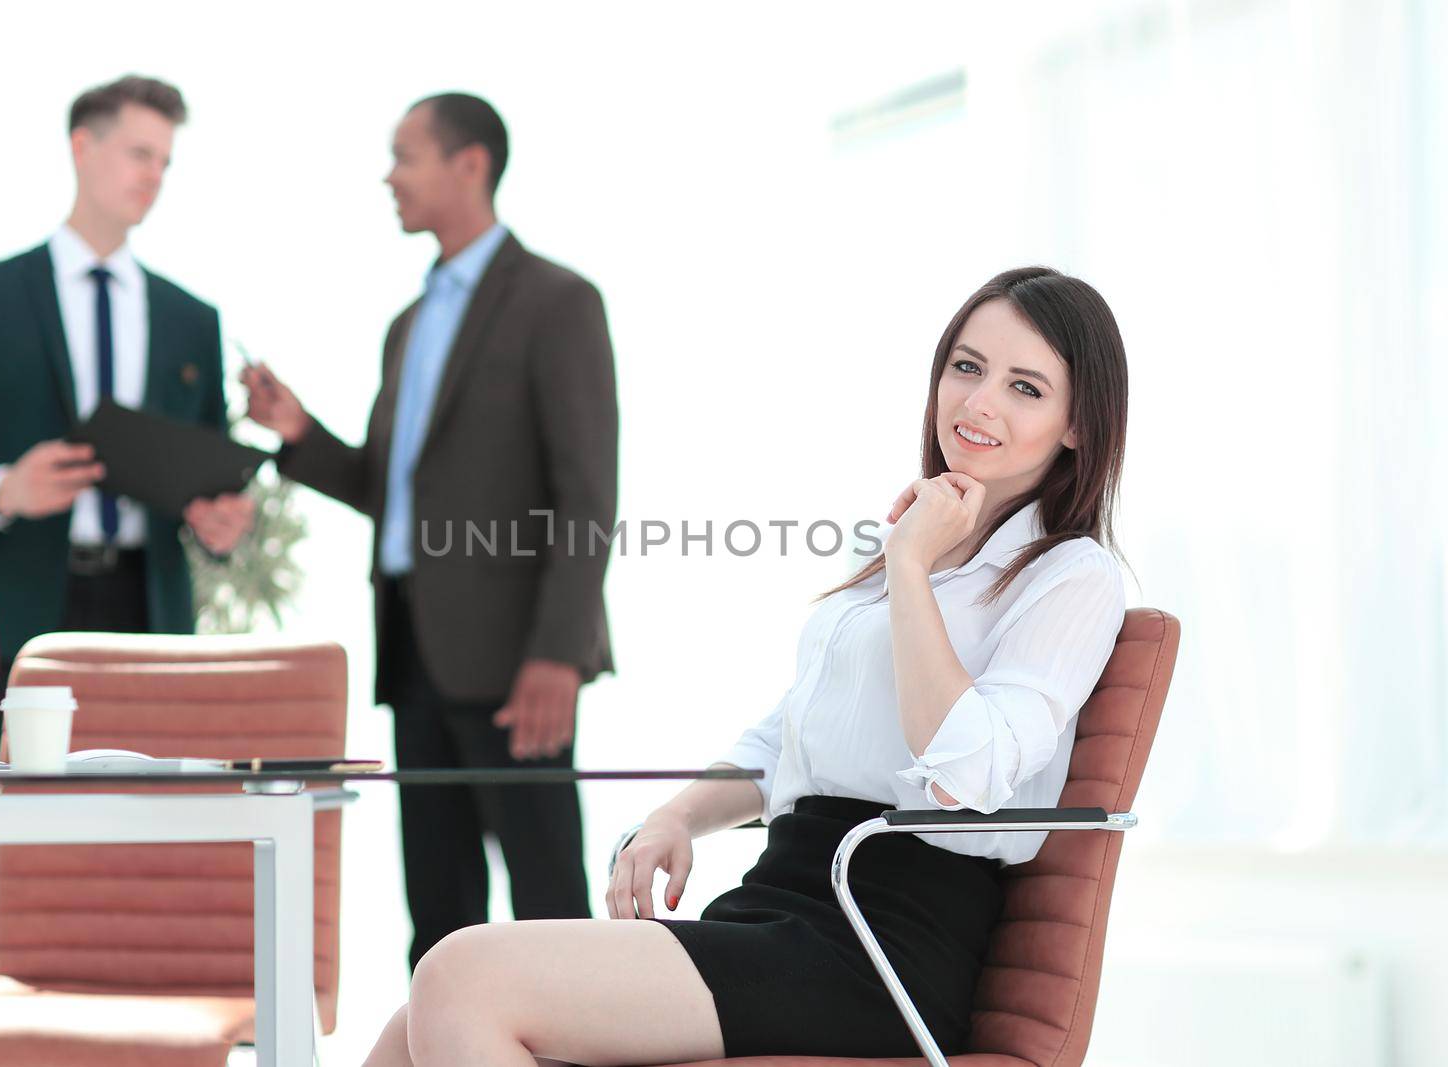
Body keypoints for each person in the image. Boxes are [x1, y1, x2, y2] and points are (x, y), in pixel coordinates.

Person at [359, 266, 1131, 1066]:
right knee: (409, 1025)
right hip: (783, 899)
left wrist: (909, 568)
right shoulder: (917, 546)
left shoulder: (1070, 576)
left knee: (462, 978)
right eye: (966, 367)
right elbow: (791, 733)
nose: (979, 402)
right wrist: (676, 818)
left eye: (1026, 387)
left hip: (882, 942)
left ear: (1079, 423)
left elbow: (964, 773)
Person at [242, 93, 617, 970]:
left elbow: (587, 492)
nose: (389, 176)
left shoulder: (557, 301)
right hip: (413, 644)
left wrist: (557, 654)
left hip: (518, 658)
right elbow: (394, 491)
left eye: (404, 156)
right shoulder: (406, 326)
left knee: (548, 906)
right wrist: (299, 433)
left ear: (470, 164)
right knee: (439, 909)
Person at [0, 74, 255, 991]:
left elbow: (203, 484)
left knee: (146, 842)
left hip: (146, 611)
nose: (153, 176)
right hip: (18, 612)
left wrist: (219, 520)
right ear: (82, 146)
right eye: (138, 153)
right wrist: (2, 488)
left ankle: (144, 1033)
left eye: (165, 161)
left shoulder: (190, 317)